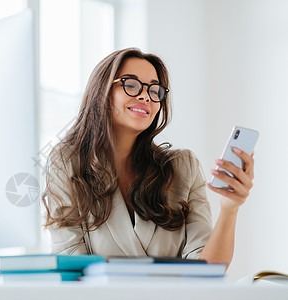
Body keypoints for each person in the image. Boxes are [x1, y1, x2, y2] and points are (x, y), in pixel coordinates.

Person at [42, 48, 254, 267]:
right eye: (130, 85)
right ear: (102, 92)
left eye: (155, 90)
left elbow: (207, 268)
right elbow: (71, 264)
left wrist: (230, 208)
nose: (145, 96)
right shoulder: (67, 163)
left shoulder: (183, 167)